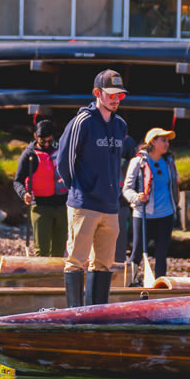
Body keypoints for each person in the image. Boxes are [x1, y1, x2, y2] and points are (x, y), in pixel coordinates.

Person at [55, 69, 131, 306]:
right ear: (97, 93)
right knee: (76, 261)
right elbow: (64, 160)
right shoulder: (82, 121)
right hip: (84, 204)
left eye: (120, 95)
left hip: (110, 206)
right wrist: (78, 188)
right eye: (111, 94)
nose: (116, 99)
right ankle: (75, 314)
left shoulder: (120, 125)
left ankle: (96, 314)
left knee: (104, 263)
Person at [123, 128, 179, 286]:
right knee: (137, 253)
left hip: (166, 215)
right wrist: (136, 197)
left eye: (168, 141)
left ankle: (160, 287)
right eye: (163, 140)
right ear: (153, 142)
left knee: (161, 255)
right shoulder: (138, 162)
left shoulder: (169, 162)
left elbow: (174, 187)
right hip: (143, 215)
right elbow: (126, 189)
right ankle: (129, 283)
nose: (167, 144)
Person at [13, 120, 68, 257]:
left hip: (62, 206)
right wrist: (24, 193)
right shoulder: (29, 155)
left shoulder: (61, 150)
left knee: (59, 251)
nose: (47, 145)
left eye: (50, 141)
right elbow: (17, 181)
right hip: (41, 208)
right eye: (43, 141)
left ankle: (57, 278)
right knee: (42, 251)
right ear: (35, 136)